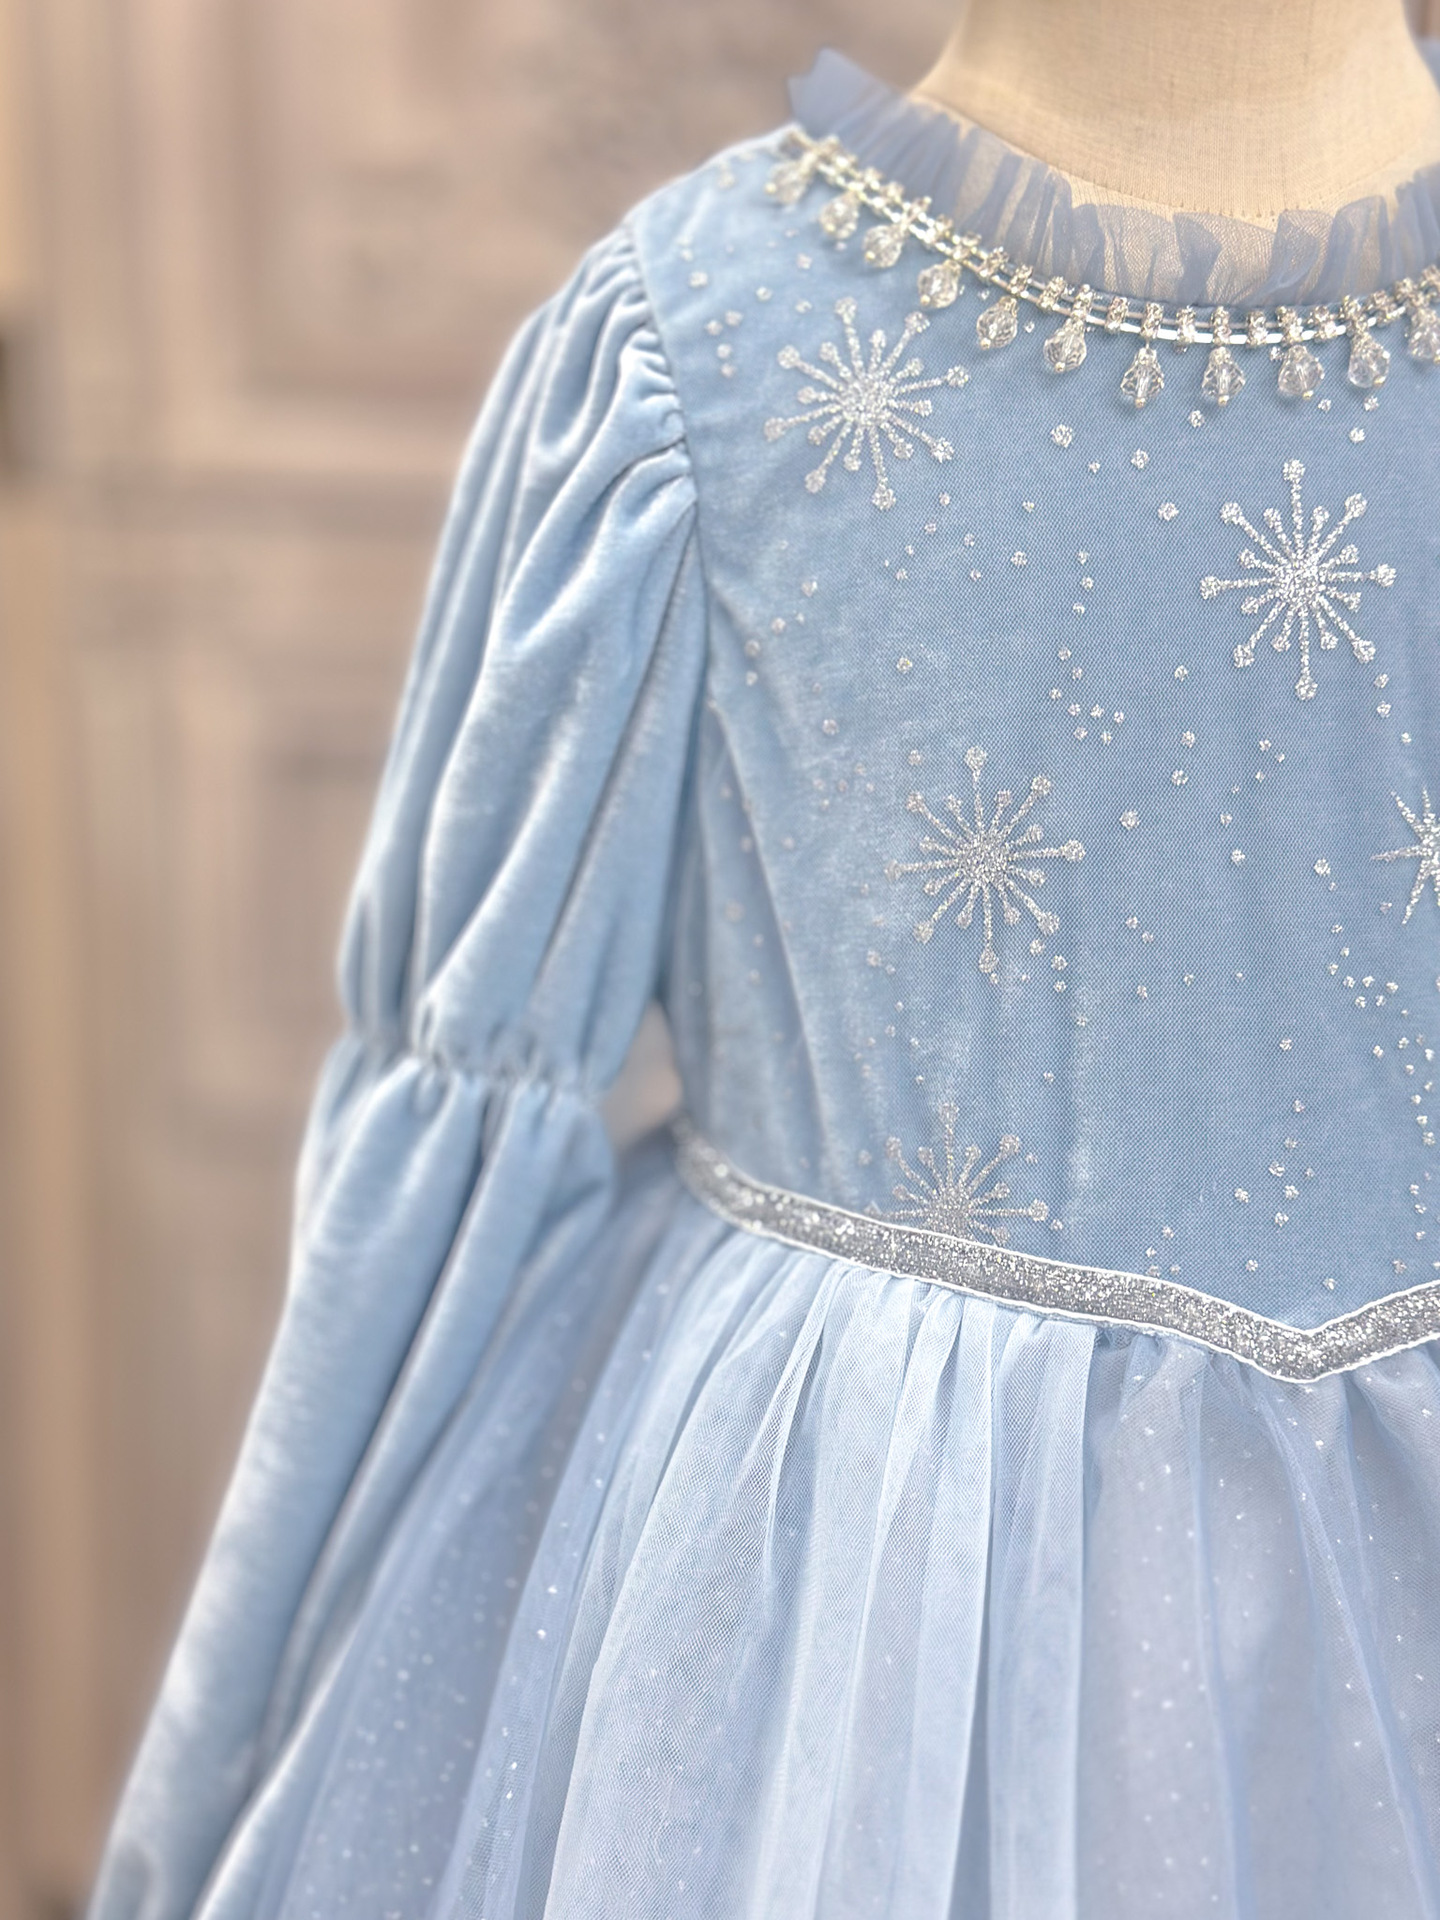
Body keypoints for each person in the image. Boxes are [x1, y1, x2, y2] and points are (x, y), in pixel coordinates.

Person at [90, 4, 1440, 1915]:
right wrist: (243, 1743)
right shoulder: (700, 341)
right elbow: (475, 1088)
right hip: (850, 1623)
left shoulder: (690, 335)